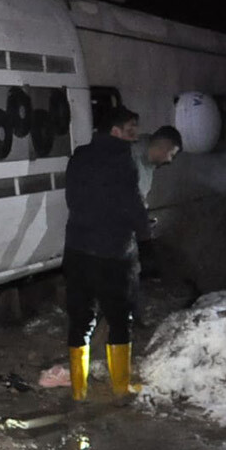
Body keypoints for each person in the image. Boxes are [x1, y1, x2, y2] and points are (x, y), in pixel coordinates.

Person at [64, 106, 150, 402]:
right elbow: (131, 202)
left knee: (79, 319)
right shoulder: (122, 158)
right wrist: (145, 234)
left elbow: (72, 198)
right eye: (130, 130)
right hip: (112, 253)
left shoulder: (79, 155)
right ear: (114, 131)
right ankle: (120, 387)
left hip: (76, 249)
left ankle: (79, 390)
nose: (135, 136)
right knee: (118, 319)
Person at [129, 125, 182, 282]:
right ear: (163, 146)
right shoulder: (132, 157)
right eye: (171, 154)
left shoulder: (149, 164)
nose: (170, 160)